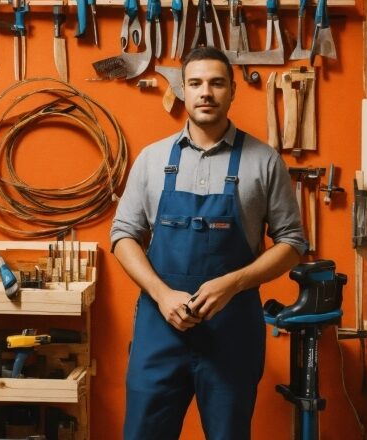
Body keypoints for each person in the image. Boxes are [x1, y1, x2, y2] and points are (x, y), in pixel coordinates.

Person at [110, 46, 307, 440]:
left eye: (217, 83)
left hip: (231, 334)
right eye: (196, 83)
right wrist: (163, 295)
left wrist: (232, 284)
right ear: (183, 90)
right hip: (159, 330)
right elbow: (123, 235)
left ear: (232, 91)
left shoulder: (264, 161)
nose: (206, 92)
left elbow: (293, 242)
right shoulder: (152, 159)